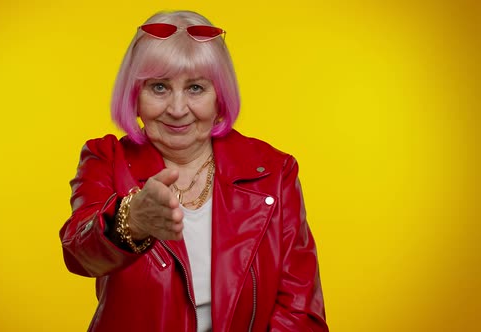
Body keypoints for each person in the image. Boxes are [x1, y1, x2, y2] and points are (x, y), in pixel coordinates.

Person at [59, 10, 328, 332]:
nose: (176, 108)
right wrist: (131, 221)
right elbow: (80, 253)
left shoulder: (273, 169)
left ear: (220, 96)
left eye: (196, 88)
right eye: (159, 87)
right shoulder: (106, 158)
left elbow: (298, 304)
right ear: (135, 96)